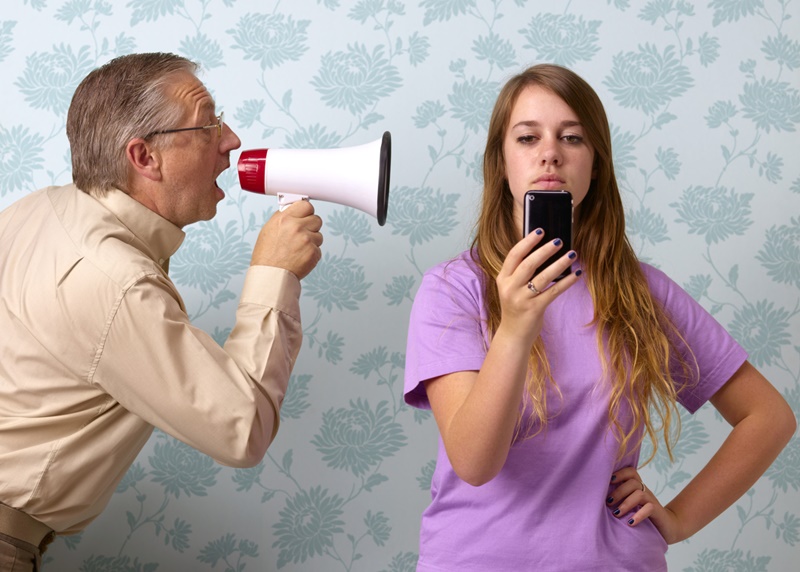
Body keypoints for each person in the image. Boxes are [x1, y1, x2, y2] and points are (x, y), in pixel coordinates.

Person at [403, 64, 795, 571]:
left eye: (572, 137)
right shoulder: (453, 290)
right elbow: (475, 463)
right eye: (527, 138)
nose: (550, 153)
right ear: (501, 163)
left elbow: (768, 418)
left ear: (596, 165)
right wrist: (518, 326)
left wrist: (678, 518)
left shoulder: (641, 292)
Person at [0, 52, 323, 570]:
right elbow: (242, 430)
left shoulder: (38, 209)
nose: (232, 140)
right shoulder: (114, 282)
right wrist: (274, 274)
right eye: (208, 123)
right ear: (144, 157)